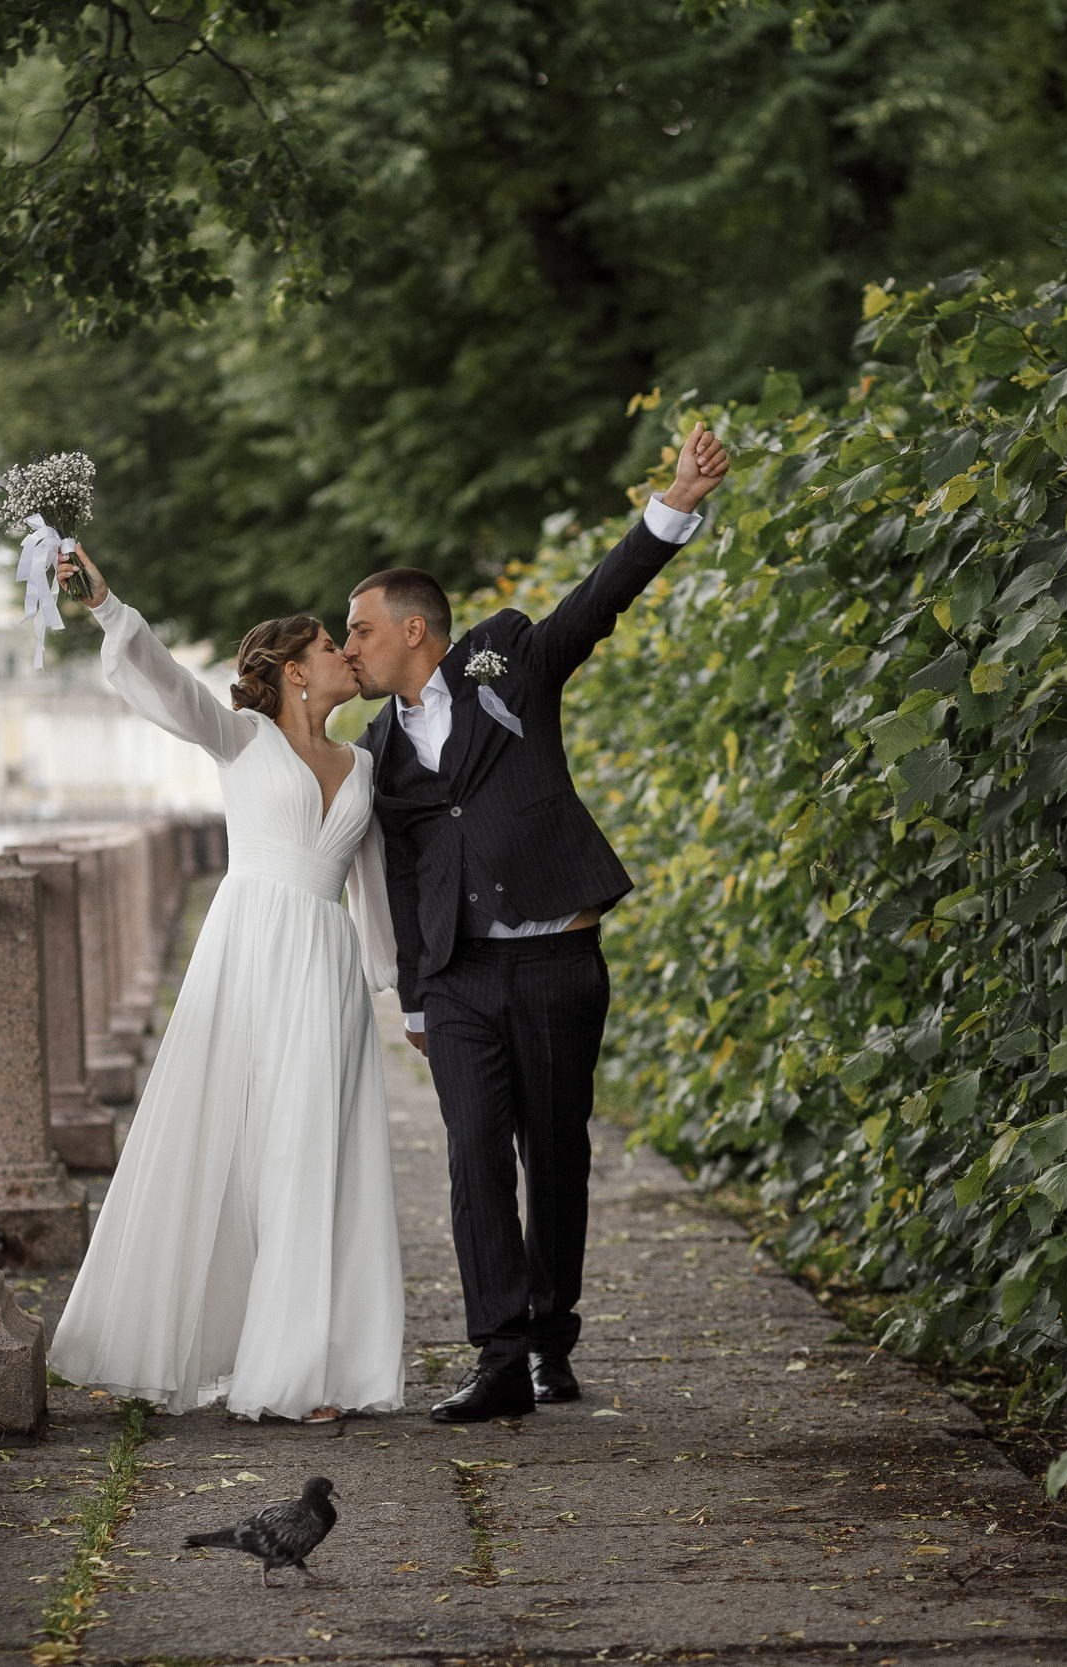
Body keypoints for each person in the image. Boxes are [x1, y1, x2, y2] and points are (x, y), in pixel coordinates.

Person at [341, 425, 731, 1422]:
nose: (352, 648)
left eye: (361, 632)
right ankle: (499, 1355)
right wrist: (416, 992)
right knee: (474, 1153)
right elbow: (399, 868)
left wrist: (676, 499)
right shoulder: (373, 751)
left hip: (558, 957)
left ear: (415, 630)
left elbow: (596, 602)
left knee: (556, 1153)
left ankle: (553, 1337)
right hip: (461, 978)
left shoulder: (507, 662)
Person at [46, 542, 405, 1423]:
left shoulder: (363, 767)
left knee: (323, 1152)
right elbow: (169, 686)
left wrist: (400, 991)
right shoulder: (239, 737)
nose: (346, 656)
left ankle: (316, 1365)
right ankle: (270, 1366)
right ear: (292, 670)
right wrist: (106, 606)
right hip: (251, 957)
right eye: (332, 645)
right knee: (259, 1151)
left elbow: (376, 894)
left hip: (329, 970)